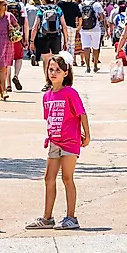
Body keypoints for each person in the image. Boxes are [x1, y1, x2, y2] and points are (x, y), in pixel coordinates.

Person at [25, 55, 90, 231]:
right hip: (54, 142)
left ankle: (71, 217)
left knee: (67, 178)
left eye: (57, 70)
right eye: (51, 69)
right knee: (49, 178)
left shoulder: (70, 92)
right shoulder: (47, 96)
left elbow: (81, 114)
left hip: (70, 141)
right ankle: (47, 217)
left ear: (66, 73)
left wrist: (87, 135)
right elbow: (49, 118)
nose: (53, 73)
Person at [29, 0, 64, 91]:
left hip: (43, 37)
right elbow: (64, 26)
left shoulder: (41, 9)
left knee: (46, 61)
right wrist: (66, 41)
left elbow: (35, 26)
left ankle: (47, 82)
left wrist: (32, 41)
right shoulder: (58, 9)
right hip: (56, 36)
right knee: (55, 60)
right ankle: (55, 82)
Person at [3, 0, 26, 91]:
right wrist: (26, 37)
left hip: (5, 35)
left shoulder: (2, 5)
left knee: (7, 60)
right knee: (18, 57)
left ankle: (8, 83)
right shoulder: (20, 5)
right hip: (17, 35)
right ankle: (16, 75)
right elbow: (24, 22)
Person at [78, 0, 104, 73]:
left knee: (86, 48)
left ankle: (88, 67)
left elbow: (78, 18)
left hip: (84, 29)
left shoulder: (80, 5)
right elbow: (102, 17)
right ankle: (95, 66)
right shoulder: (97, 4)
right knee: (95, 48)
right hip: (95, 29)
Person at [57, 0, 82, 66]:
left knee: (62, 44)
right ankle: (70, 63)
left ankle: (62, 62)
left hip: (61, 27)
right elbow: (80, 16)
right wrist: (79, 26)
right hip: (72, 27)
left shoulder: (60, 4)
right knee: (71, 45)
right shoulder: (74, 5)